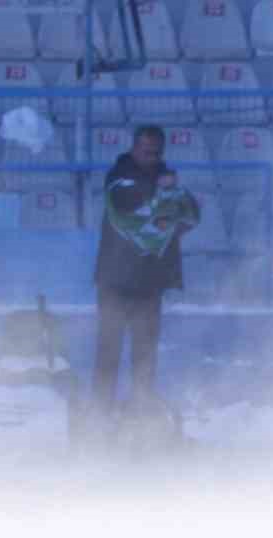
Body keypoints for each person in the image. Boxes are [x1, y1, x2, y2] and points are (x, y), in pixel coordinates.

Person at [90, 124, 199, 432]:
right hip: (115, 281)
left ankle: (141, 410)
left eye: (156, 153)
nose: (151, 157)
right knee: (108, 351)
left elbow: (188, 216)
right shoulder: (118, 177)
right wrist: (164, 194)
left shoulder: (167, 183)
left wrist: (172, 206)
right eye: (146, 151)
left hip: (149, 284)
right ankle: (100, 413)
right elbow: (129, 203)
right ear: (135, 148)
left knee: (145, 354)